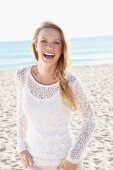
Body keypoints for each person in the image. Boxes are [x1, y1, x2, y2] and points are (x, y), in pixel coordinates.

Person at [15, 21, 96, 170]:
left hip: (64, 163)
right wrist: (21, 147)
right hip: (33, 162)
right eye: (44, 41)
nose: (50, 47)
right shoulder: (22, 76)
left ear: (62, 48)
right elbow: (21, 114)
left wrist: (73, 158)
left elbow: (89, 119)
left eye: (56, 43)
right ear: (35, 45)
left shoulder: (70, 82)